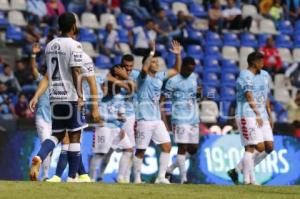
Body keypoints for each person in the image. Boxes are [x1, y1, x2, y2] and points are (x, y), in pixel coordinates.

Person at [28, 13, 101, 182]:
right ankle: (71, 178)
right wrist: (80, 96)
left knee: (58, 135)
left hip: (55, 98)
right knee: (75, 136)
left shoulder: (50, 46)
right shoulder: (75, 46)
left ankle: (39, 157)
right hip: (71, 97)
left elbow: (46, 76)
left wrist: (36, 95)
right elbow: (76, 71)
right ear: (74, 26)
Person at [133, 40, 182, 184]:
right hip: (144, 120)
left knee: (167, 146)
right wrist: (151, 53)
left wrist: (178, 55)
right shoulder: (142, 78)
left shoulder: (160, 77)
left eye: (157, 61)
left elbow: (176, 70)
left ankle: (161, 177)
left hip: (156, 120)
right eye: (153, 62)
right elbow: (143, 69)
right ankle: (136, 179)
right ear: (147, 64)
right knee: (141, 150)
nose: (157, 63)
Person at [227, 51, 274, 185]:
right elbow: (248, 96)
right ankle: (248, 180)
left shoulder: (265, 75)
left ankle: (238, 170)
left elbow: (266, 96)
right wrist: (257, 113)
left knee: (269, 147)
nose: (263, 64)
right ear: (254, 62)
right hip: (247, 114)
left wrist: (270, 115)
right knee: (254, 146)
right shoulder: (244, 75)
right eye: (261, 61)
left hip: (262, 116)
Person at [89, 65, 134, 183]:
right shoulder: (103, 88)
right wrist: (117, 117)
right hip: (104, 126)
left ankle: (120, 178)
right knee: (100, 153)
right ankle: (91, 178)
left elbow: (131, 91)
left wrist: (121, 125)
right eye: (117, 74)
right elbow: (99, 114)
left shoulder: (121, 94)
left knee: (128, 149)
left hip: (116, 128)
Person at [162, 57, 201, 184]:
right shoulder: (172, 81)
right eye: (188, 69)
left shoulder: (194, 77)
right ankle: (184, 179)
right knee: (182, 147)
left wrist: (199, 94)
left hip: (193, 118)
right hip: (180, 117)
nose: (190, 72)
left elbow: (196, 97)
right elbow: (163, 99)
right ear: (183, 67)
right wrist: (164, 118)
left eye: (192, 70)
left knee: (193, 148)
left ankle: (170, 169)